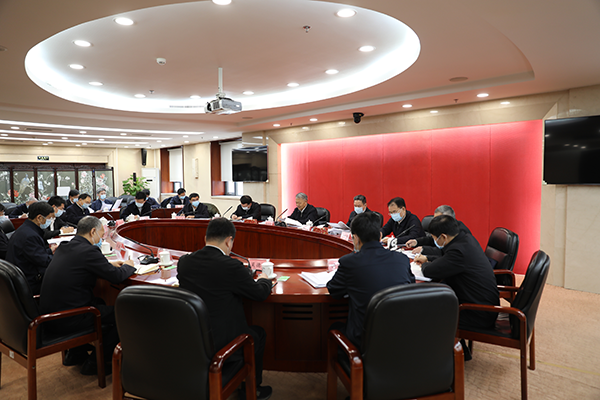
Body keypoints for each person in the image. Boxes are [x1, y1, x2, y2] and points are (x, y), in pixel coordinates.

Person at [177, 218, 273, 400]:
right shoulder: (231, 266)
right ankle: (253, 389)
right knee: (258, 334)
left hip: (192, 339)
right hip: (221, 344)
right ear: (229, 241)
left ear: (206, 238)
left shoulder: (184, 262)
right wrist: (265, 280)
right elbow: (260, 294)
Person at [40, 216, 136, 375]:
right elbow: (117, 277)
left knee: (99, 301)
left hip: (50, 315)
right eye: (101, 234)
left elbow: (82, 265)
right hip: (69, 318)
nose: (101, 239)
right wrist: (129, 266)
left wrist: (107, 264)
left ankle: (75, 353)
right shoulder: (89, 251)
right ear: (93, 232)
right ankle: (96, 363)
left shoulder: (65, 246)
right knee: (125, 314)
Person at [327, 212, 415, 351]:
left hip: (365, 342)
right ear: (380, 236)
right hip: (401, 338)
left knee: (334, 327)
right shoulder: (402, 260)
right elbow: (411, 285)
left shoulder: (349, 262)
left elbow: (334, 291)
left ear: (355, 238)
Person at [415, 215, 499, 331]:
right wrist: (428, 259)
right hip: (482, 305)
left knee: (423, 312)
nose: (435, 242)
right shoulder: (465, 239)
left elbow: (429, 271)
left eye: (434, 238)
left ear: (443, 236)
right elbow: (447, 261)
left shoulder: (458, 251)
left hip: (476, 313)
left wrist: (424, 264)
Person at [5, 202, 55, 294]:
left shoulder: (26, 229)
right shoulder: (30, 236)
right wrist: (61, 256)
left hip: (25, 276)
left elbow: (34, 253)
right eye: (49, 218)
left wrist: (50, 251)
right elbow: (44, 262)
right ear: (39, 218)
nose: (51, 221)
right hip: (31, 283)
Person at [406, 205, 472, 260]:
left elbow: (445, 252)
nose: (434, 222)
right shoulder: (445, 228)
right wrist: (416, 242)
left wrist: (424, 250)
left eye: (438, 219)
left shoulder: (460, 233)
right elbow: (432, 239)